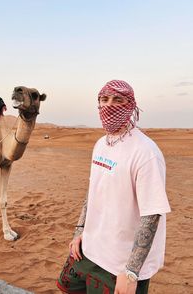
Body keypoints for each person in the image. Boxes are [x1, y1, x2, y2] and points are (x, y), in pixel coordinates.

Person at [57, 80, 171, 294]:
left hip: (120, 265)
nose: (109, 105)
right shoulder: (101, 144)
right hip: (89, 250)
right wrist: (79, 231)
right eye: (104, 99)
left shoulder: (146, 152)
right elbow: (93, 192)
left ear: (131, 105)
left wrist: (131, 272)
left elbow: (152, 214)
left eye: (118, 100)